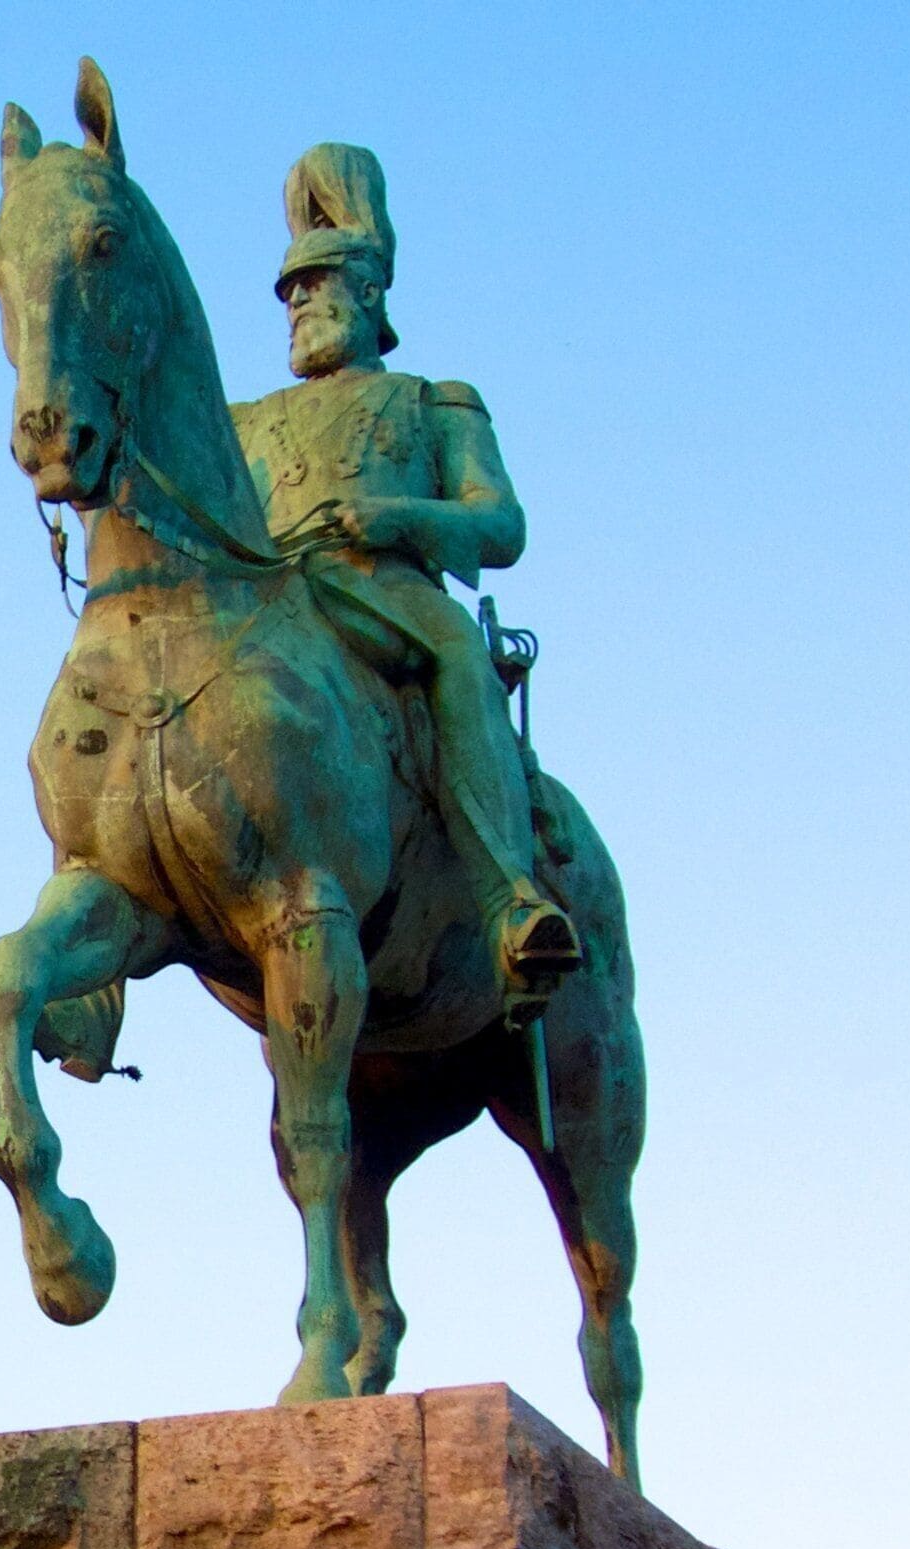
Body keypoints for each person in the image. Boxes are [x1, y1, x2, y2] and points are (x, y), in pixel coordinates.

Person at [232, 142, 580, 1008]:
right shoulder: (245, 421)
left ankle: (510, 900)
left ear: (370, 292)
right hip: (273, 604)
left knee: (458, 655)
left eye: (316, 286)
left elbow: (501, 525)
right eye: (291, 293)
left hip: (386, 593)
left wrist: (401, 519)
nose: (299, 304)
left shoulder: (435, 401)